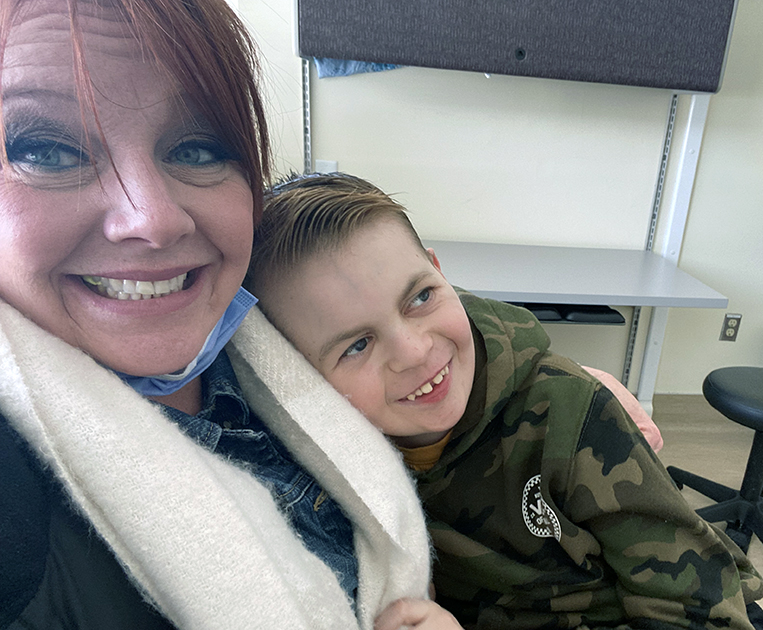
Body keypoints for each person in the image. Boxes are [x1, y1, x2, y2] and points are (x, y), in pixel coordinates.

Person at [0, 1, 462, 629]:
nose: (154, 220)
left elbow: (386, 302)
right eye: (46, 151)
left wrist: (533, 375)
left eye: (197, 146)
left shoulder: (252, 313)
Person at [245, 173, 763, 630]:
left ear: (439, 270)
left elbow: (702, 612)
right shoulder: (319, 459)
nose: (414, 351)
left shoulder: (568, 413)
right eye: (357, 345)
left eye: (420, 297)